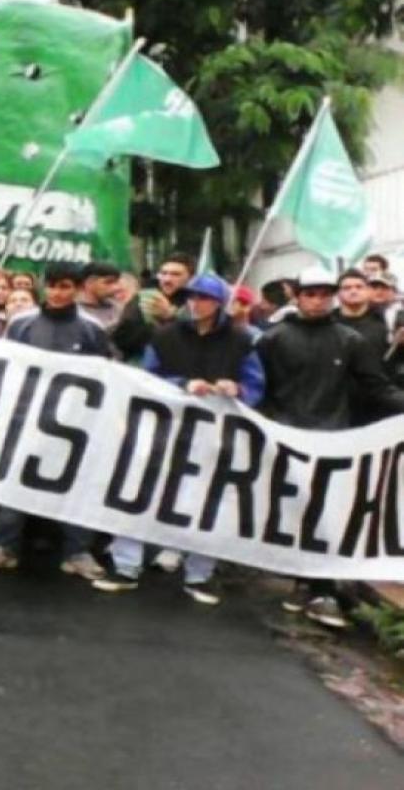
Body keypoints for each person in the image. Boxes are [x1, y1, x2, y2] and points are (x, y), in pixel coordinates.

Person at [93, 274, 264, 605]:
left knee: (207, 501)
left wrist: (238, 390)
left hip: (214, 433)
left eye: (203, 297)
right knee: (138, 491)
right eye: (191, 296)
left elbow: (255, 385)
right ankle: (126, 566)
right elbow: (148, 378)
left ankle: (199, 574)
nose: (195, 302)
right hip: (164, 427)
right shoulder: (166, 336)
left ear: (219, 303)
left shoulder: (242, 340)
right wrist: (183, 384)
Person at [258, 266, 404, 629]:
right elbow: (256, 388)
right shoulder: (273, 339)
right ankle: (302, 582)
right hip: (283, 438)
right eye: (311, 293)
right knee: (286, 515)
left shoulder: (349, 340)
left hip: (332, 441)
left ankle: (318, 589)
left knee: (324, 517)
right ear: (297, 296)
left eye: (326, 293)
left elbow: (376, 387)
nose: (318, 300)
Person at [0, 262, 110, 580]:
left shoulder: (92, 329)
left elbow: (104, 376)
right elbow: (6, 367)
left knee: (74, 486)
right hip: (26, 418)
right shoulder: (21, 323)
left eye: (64, 286)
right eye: (51, 285)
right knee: (13, 484)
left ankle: (77, 552)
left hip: (73, 423)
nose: (57, 292)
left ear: (76, 289)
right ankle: (5, 547)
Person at [112, 251, 194, 362]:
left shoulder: (199, 300)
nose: (167, 279)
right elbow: (123, 337)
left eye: (175, 274)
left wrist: (171, 316)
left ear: (191, 277)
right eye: (163, 273)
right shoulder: (144, 297)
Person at [77, 260, 122, 331]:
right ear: (89, 283)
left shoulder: (118, 308)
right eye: (108, 282)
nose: (116, 287)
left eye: (116, 282)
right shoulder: (75, 312)